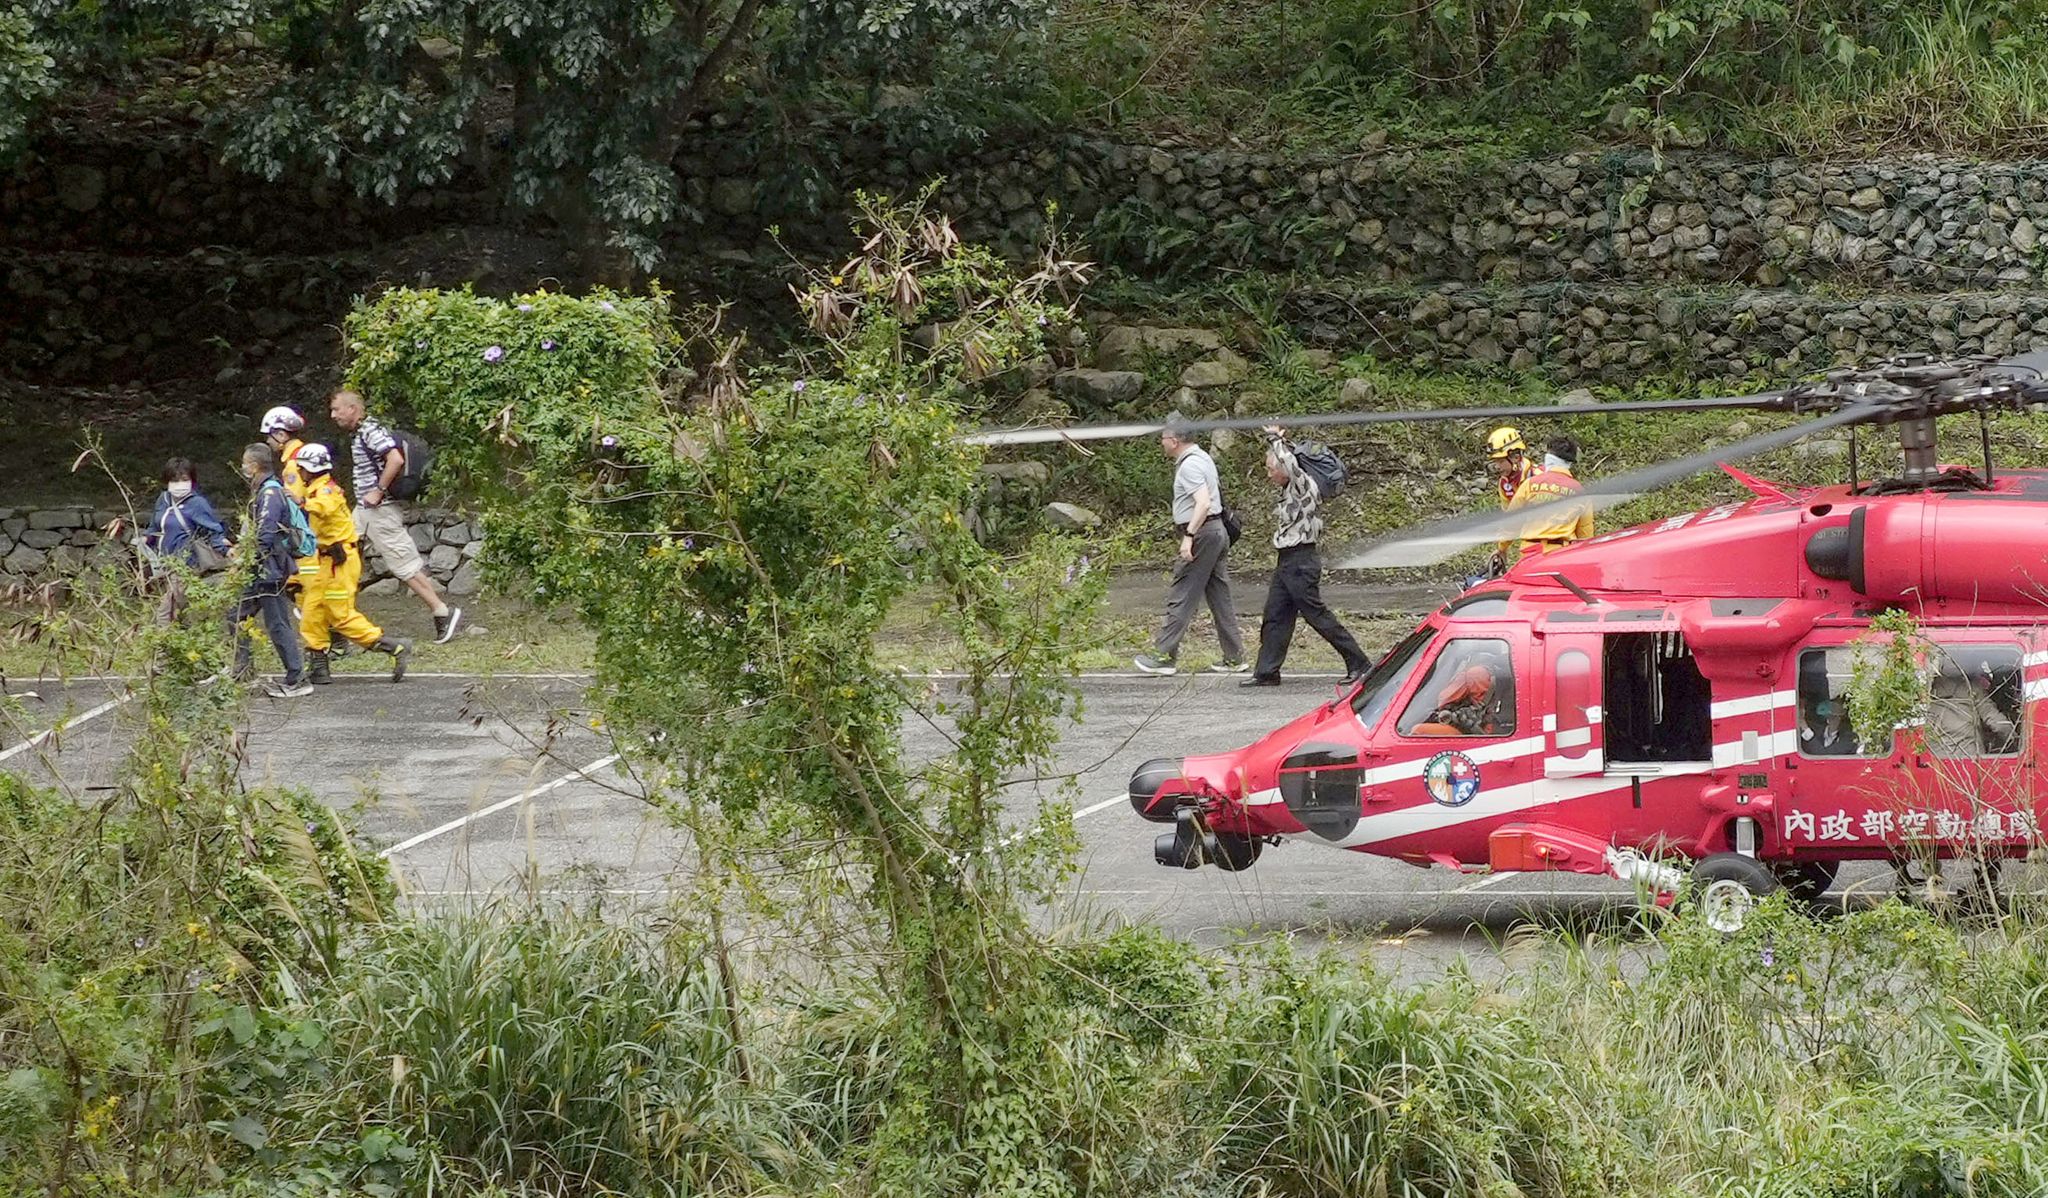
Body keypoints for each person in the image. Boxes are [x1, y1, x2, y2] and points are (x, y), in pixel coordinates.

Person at [330, 389, 462, 643]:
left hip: (379, 511)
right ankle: (330, 614)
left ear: (352, 409)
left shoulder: (370, 431)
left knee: (404, 565)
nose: (333, 415)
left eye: (337, 409)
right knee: (338, 551)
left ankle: (442, 611)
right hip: (365, 510)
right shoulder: (362, 433)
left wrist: (378, 491)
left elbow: (395, 459)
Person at [1241, 427, 1369, 688]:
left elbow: (1288, 461)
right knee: (1276, 614)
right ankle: (1267, 671)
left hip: (1301, 560)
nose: (1268, 475)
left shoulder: (1302, 485)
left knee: (1318, 616)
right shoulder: (1291, 488)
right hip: (1287, 560)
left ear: (1285, 469)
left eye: (1270, 469)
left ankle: (1359, 663)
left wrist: (1275, 439)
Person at [1134, 413, 1245, 676]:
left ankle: (1163, 656)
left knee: (1182, 593)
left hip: (1203, 533)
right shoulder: (1203, 458)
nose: (1161, 442)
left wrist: (1189, 535)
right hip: (1215, 532)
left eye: (1163, 438)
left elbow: (1203, 502)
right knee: (1219, 597)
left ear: (1174, 440)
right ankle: (1234, 656)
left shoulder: (1190, 466)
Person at [293, 444, 412, 684]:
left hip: (341, 561)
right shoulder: (316, 490)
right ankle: (318, 665)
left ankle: (392, 645)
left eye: (301, 469)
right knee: (312, 611)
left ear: (308, 470)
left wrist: (300, 502)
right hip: (325, 561)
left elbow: (324, 509)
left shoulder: (326, 491)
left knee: (339, 615)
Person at [230, 443, 312, 698]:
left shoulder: (270, 494)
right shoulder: (265, 491)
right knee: (236, 615)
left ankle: (297, 677)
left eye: (245, 463)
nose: (243, 467)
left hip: (269, 569)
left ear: (254, 466)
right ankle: (243, 670)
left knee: (277, 624)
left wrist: (245, 561)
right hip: (262, 568)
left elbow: (265, 534)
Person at [1504, 435, 1595, 557]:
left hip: (1530, 554)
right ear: (1570, 463)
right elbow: (1585, 534)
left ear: (1548, 459)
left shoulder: (1530, 484)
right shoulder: (1579, 491)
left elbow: (1511, 522)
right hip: (1562, 555)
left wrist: (1501, 549)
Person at [142, 457, 231, 570]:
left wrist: (226, 549)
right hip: (160, 564)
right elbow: (153, 528)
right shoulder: (163, 499)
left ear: (191, 481)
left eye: (184, 480)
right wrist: (144, 539)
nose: (180, 484)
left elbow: (213, 532)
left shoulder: (197, 503)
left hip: (186, 566)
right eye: (175, 481)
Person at [261, 405, 312, 499]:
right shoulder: (302, 453)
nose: (268, 441)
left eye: (269, 436)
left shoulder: (293, 463)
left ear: (281, 435)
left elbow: (294, 504)